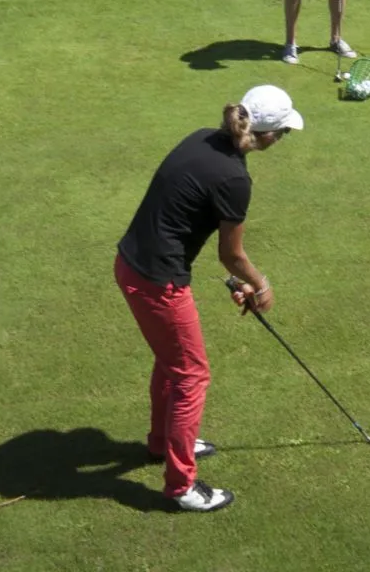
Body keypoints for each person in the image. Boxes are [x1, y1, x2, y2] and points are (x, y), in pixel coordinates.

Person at [114, 84, 303, 511]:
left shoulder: (201, 138)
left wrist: (237, 281)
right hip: (157, 282)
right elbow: (231, 255)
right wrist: (261, 285)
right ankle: (181, 486)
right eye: (284, 132)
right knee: (191, 375)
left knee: (173, 364)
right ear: (268, 135)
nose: (283, 138)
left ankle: (162, 442)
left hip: (131, 263)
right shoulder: (235, 178)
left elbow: (184, 218)